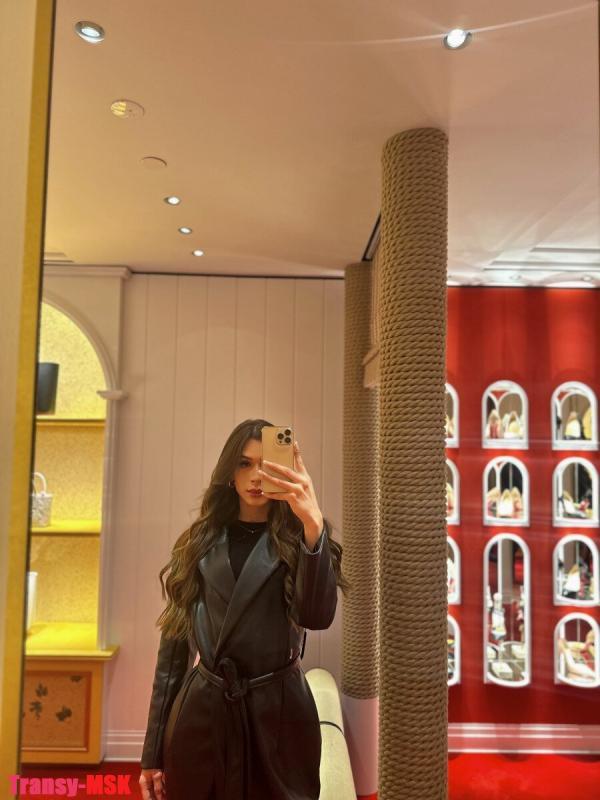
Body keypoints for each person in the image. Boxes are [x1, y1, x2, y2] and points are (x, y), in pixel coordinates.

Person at [138, 418, 350, 800]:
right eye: (244, 463)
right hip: (203, 716)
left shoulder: (301, 540)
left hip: (279, 716)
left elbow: (316, 618)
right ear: (229, 472)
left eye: (266, 465)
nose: (255, 476)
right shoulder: (197, 543)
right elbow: (173, 653)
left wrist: (312, 523)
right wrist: (152, 753)